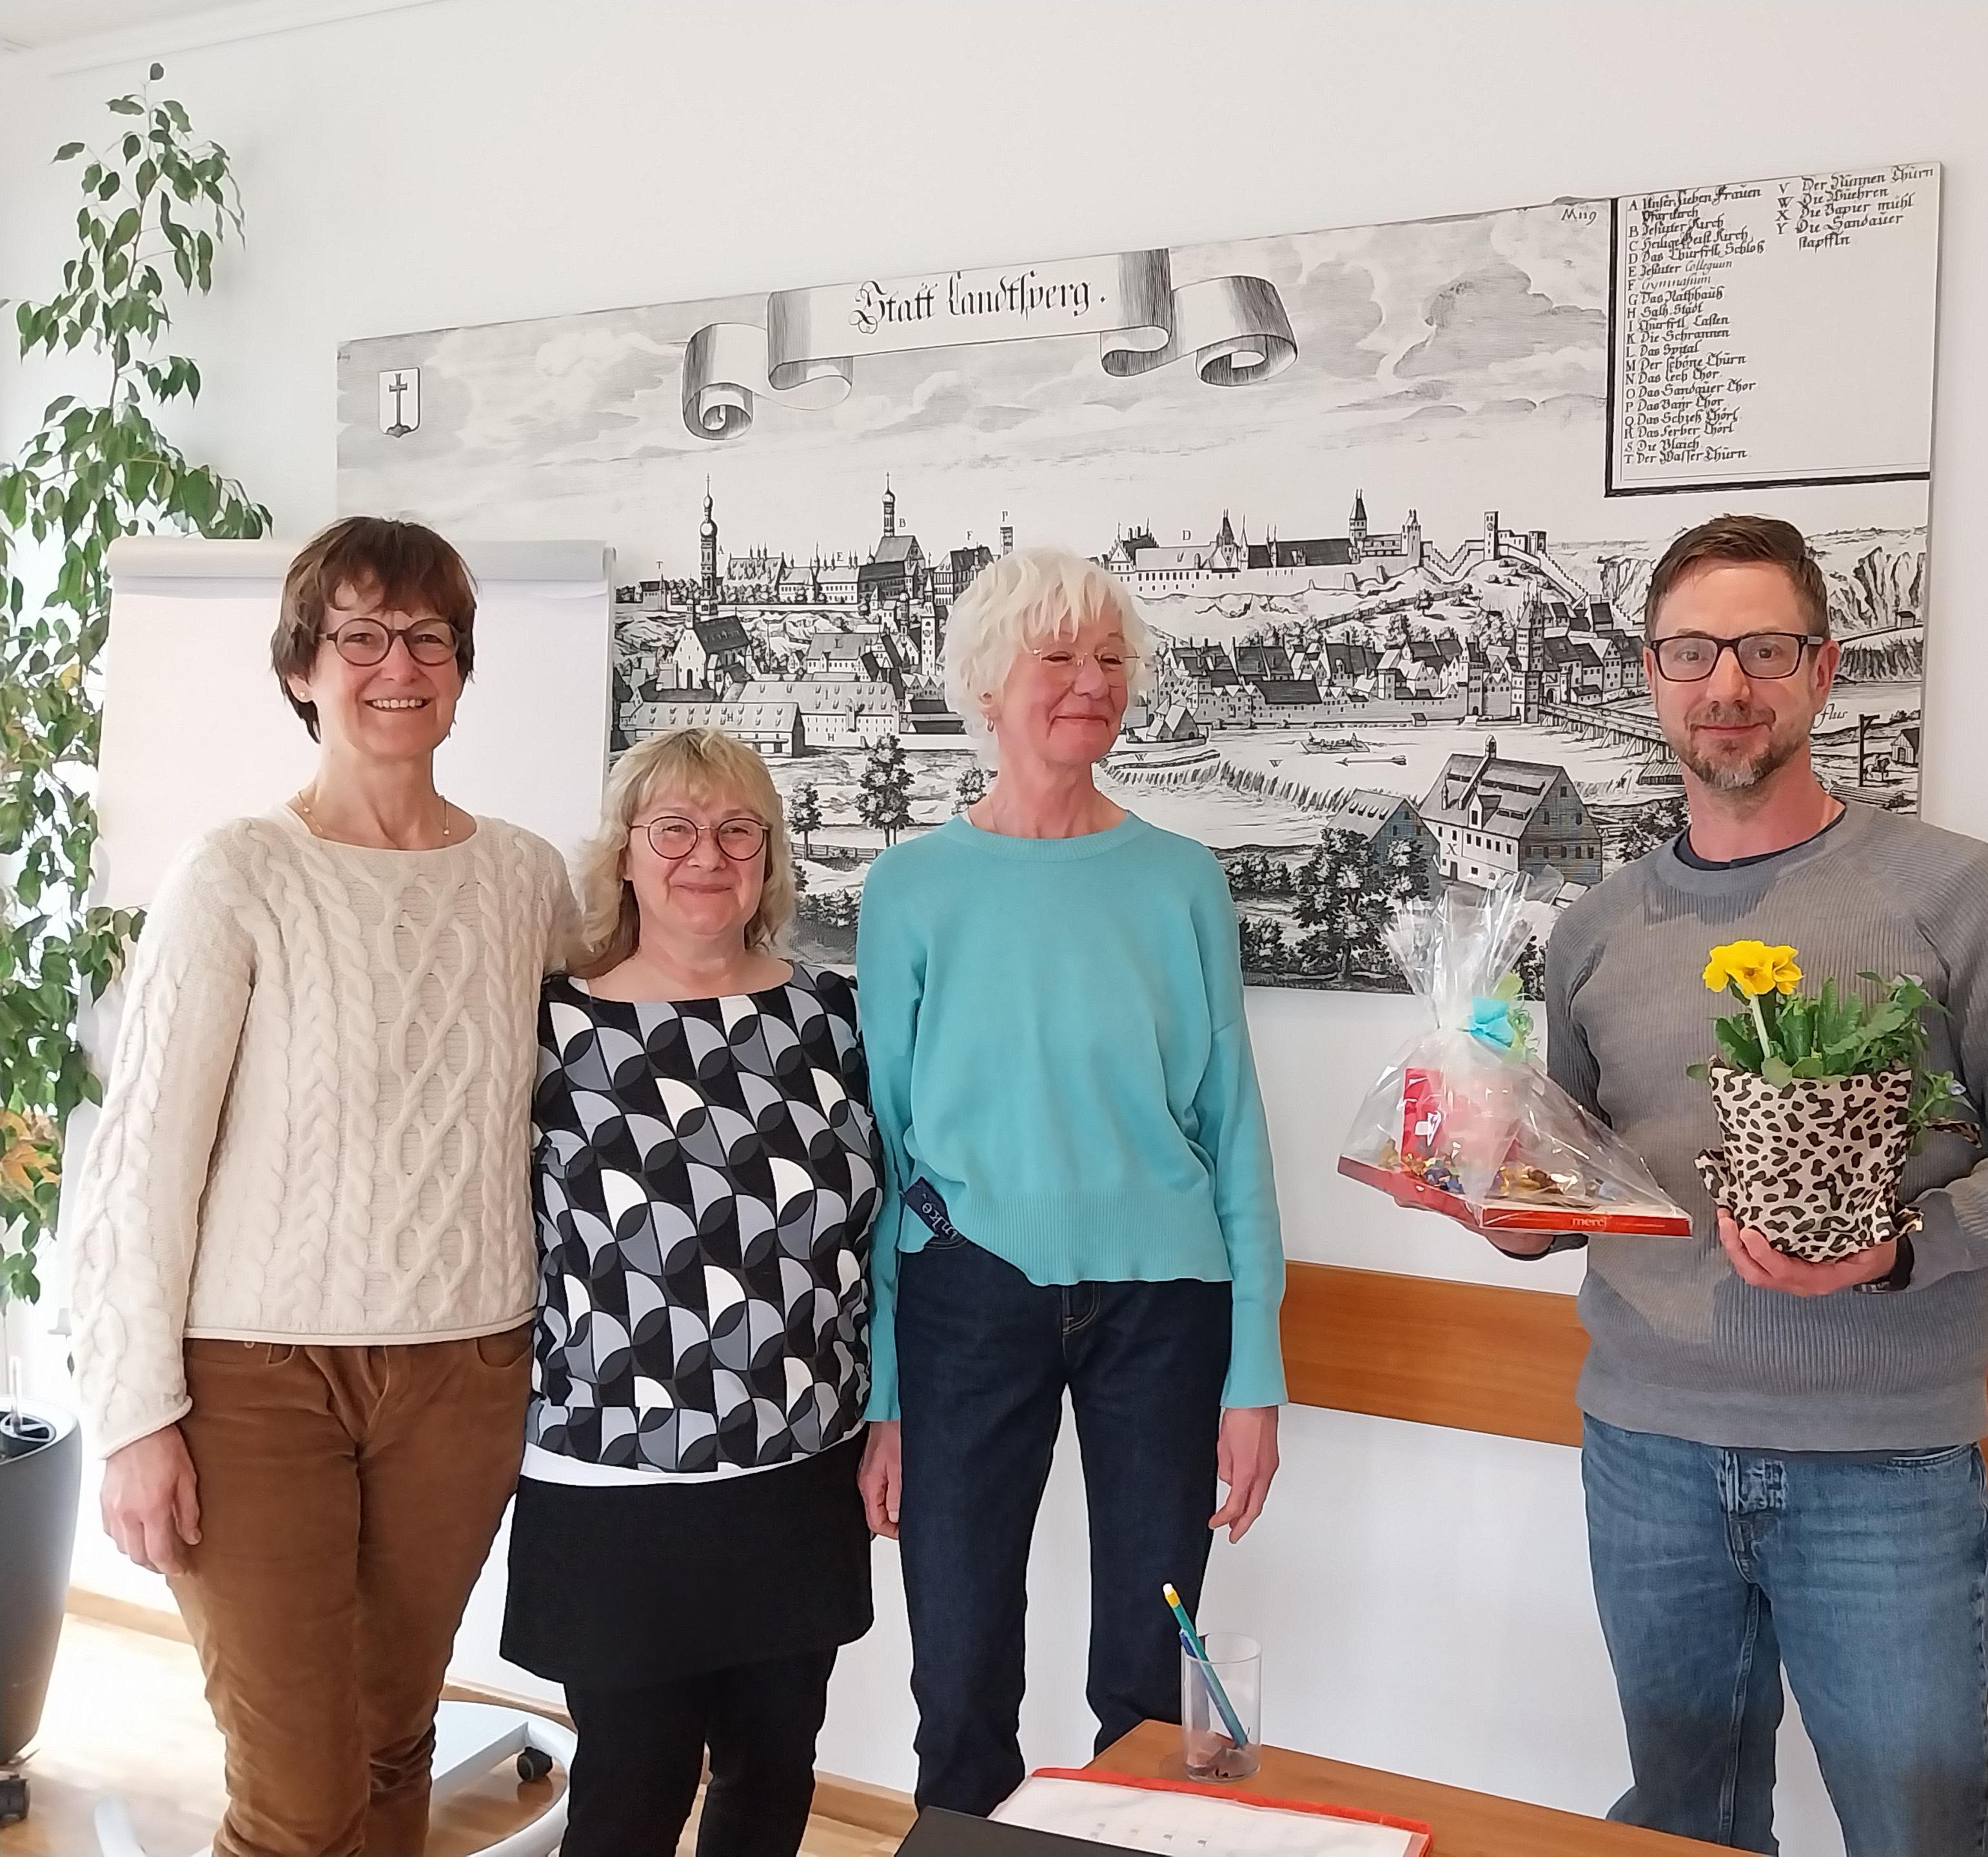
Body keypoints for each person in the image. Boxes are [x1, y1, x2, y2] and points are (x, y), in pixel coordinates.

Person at [1529, 514, 1988, 1856]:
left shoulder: (1959, 894)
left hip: (1886, 1470)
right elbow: (1570, 1182)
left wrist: (1903, 1244)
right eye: (1692, 652)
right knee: (1679, 1830)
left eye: (1763, 649)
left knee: (1919, 1836)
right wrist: (1487, 1194)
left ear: (1823, 668)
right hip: (1646, 1456)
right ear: (1650, 673)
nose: (1726, 684)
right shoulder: (1593, 931)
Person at [66, 517, 578, 1857]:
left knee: (395, 1740)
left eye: (427, 638)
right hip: (253, 1381)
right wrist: (132, 1416)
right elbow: (144, 1155)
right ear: (303, 669)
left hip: (465, 1367)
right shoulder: (237, 871)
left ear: (461, 670)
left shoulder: (527, 880)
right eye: (359, 636)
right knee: (296, 1801)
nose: (396, 665)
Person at [854, 546, 1284, 1816]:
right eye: (1058, 656)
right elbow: (886, 1150)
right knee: (959, 1671)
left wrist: (1253, 1376)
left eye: (1110, 658)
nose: (1091, 681)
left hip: (1167, 1310)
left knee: (1151, 1688)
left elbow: (1233, 1127)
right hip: (964, 1302)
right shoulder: (912, 889)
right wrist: (884, 1397)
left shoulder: (1182, 879)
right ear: (987, 686)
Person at [501, 727, 879, 1857]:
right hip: (617, 1478)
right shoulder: (549, 1025)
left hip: (796, 1469)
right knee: (630, 1793)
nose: (706, 856)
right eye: (673, 829)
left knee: (773, 1779)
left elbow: (887, 1231)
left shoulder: (834, 1020)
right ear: (624, 853)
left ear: (770, 855)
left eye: (735, 830)